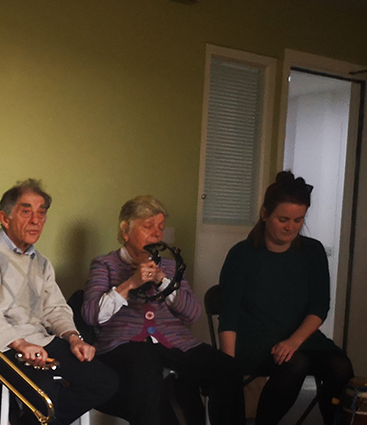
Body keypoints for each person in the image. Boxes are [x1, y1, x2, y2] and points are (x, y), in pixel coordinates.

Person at [0, 179, 118, 425]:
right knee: (46, 394)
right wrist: (20, 344)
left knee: (104, 381)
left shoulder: (41, 262)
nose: (36, 220)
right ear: (5, 218)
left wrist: (74, 338)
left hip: (39, 341)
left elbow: (55, 308)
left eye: (41, 213)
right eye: (26, 212)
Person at [82, 195, 243, 425]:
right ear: (126, 230)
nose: (157, 234)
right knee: (145, 369)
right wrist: (130, 284)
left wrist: (163, 281)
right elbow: (91, 315)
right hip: (125, 345)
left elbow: (193, 313)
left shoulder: (169, 266)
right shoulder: (105, 264)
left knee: (228, 370)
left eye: (160, 228)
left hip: (176, 342)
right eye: (148, 227)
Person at [218, 171, 354, 425]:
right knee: (296, 363)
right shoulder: (242, 255)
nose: (290, 226)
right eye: (283, 219)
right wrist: (228, 366)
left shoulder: (313, 251)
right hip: (256, 340)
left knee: (341, 367)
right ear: (264, 214)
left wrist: (293, 341)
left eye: (298, 220)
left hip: (302, 337)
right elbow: (229, 316)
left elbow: (319, 308)